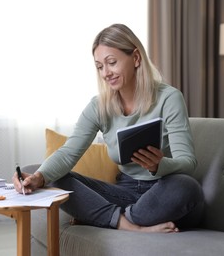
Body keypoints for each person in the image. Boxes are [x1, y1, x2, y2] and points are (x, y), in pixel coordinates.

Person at [13, 23, 204, 233]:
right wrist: (38, 177)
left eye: (111, 63)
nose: (106, 73)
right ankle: (128, 225)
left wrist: (159, 165)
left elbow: (188, 163)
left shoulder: (169, 98)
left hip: (163, 193)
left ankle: (110, 217)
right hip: (125, 192)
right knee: (42, 173)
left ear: (136, 58)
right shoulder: (99, 106)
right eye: (100, 66)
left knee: (187, 187)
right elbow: (68, 154)